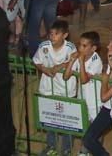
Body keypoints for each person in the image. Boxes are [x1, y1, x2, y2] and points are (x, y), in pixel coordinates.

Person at [33, 19, 78, 156]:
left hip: (66, 90)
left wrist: (59, 66)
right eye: (51, 34)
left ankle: (66, 148)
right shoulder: (44, 46)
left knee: (68, 121)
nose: (52, 37)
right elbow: (37, 61)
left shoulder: (70, 48)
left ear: (65, 35)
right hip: (48, 88)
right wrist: (44, 69)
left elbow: (72, 63)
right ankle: (51, 146)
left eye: (56, 34)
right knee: (50, 119)